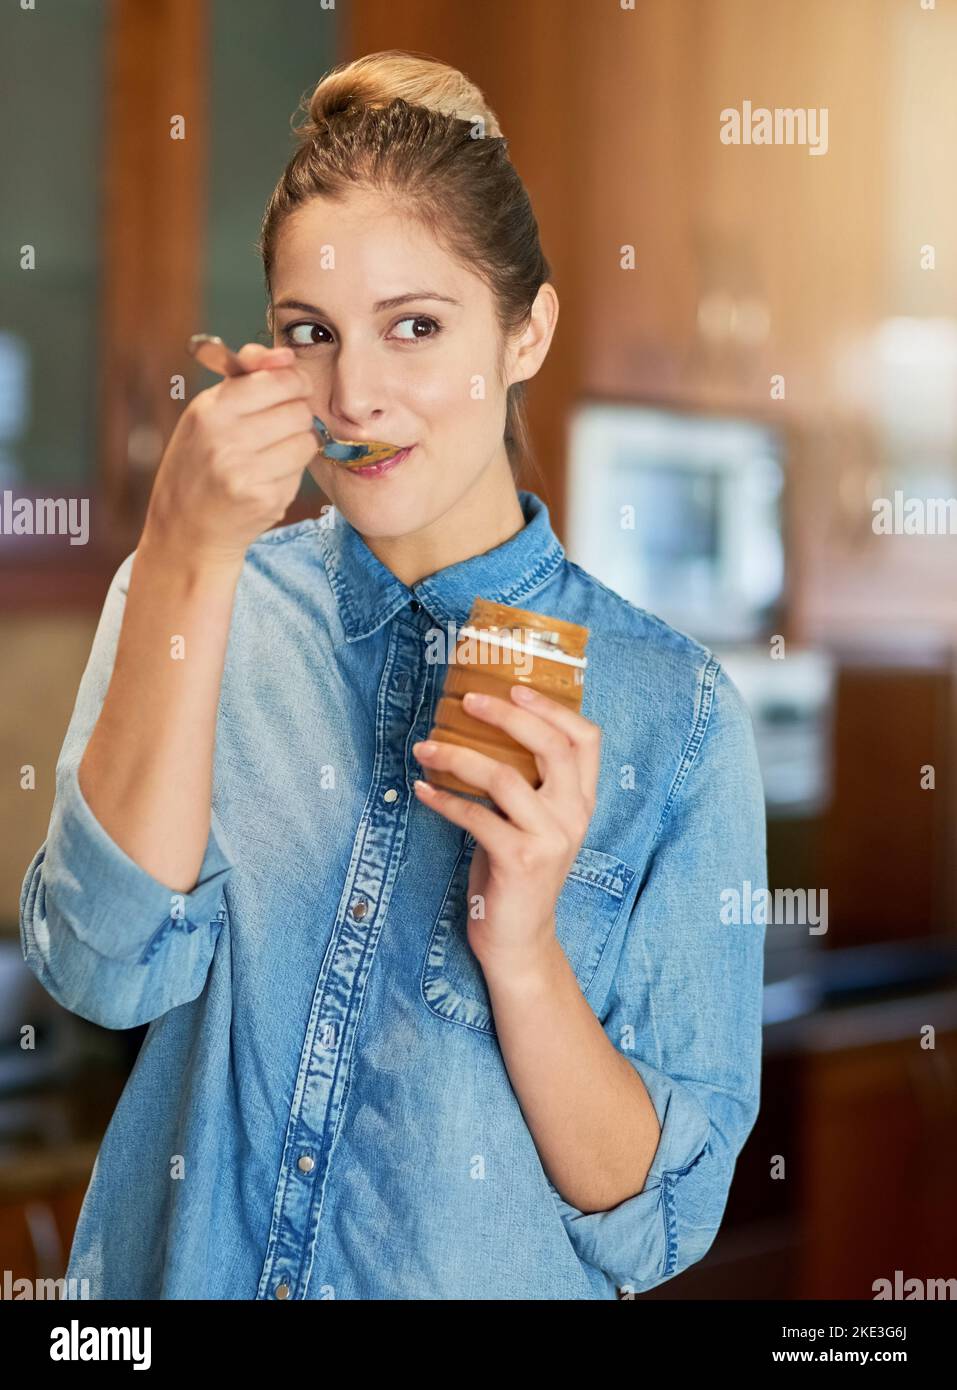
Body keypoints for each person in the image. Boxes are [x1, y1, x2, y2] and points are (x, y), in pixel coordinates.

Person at [19, 51, 767, 1301]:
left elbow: (661, 1221)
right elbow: (102, 969)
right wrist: (187, 559)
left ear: (526, 331)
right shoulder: (192, 592)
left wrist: (520, 949)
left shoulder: (674, 714)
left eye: (415, 326)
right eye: (312, 333)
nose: (354, 392)